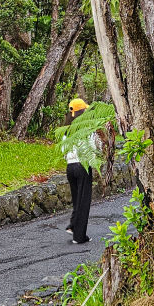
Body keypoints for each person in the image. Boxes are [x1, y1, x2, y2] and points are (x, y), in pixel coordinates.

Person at [63, 97, 95, 245]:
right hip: (83, 166)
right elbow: (93, 147)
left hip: (70, 167)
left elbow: (63, 150)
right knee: (84, 201)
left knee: (77, 199)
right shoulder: (86, 129)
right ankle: (79, 237)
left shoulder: (66, 131)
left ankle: (73, 225)